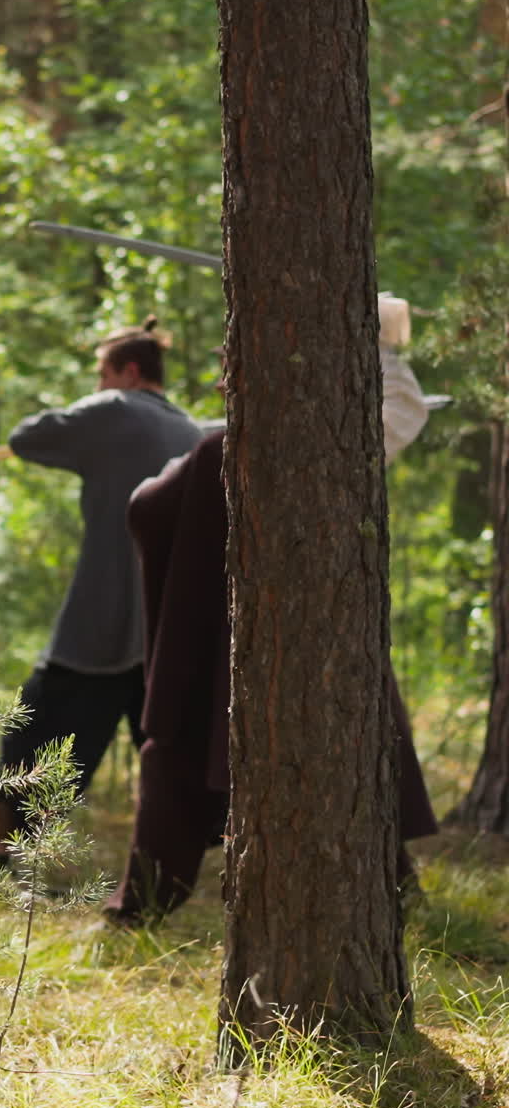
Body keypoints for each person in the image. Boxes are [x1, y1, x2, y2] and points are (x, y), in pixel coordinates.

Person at [104, 321, 438, 926]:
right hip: (303, 652)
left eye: (229, 364)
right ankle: (396, 895)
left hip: (222, 654)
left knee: (177, 759)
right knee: (345, 762)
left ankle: (140, 909)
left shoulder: (223, 452)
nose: (221, 376)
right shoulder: (326, 441)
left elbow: (145, 509)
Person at [0, 317, 203, 859]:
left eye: (101, 374)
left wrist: (97, 413)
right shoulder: (192, 431)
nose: (99, 386)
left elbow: (27, 436)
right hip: (165, 626)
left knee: (39, 730)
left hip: (102, 620)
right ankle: (179, 868)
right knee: (163, 752)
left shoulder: (111, 410)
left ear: (127, 372)